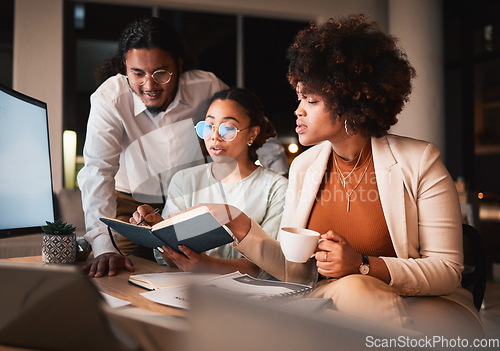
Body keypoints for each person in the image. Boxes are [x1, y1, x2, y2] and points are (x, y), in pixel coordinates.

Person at [137, 15, 483, 337]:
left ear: (351, 103)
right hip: (335, 301)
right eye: (298, 97)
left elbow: (447, 270)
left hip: (425, 303)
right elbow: (294, 272)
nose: (297, 110)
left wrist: (362, 265)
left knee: (350, 290)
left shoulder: (419, 159)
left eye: (310, 100)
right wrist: (237, 222)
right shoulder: (305, 167)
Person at [77, 17, 288, 278]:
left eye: (161, 73)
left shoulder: (205, 87)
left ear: (179, 64)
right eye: (138, 73)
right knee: (118, 273)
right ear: (125, 68)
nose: (150, 85)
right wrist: (103, 247)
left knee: (191, 270)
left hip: (191, 200)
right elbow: (97, 171)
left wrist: (284, 182)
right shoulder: (110, 98)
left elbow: (249, 122)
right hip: (131, 206)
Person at [132, 88, 288, 278]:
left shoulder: (276, 188)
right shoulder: (184, 180)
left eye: (228, 128)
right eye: (208, 126)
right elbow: (170, 260)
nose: (215, 136)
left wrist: (207, 265)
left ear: (252, 134)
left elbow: (269, 265)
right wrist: (158, 231)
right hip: (187, 290)